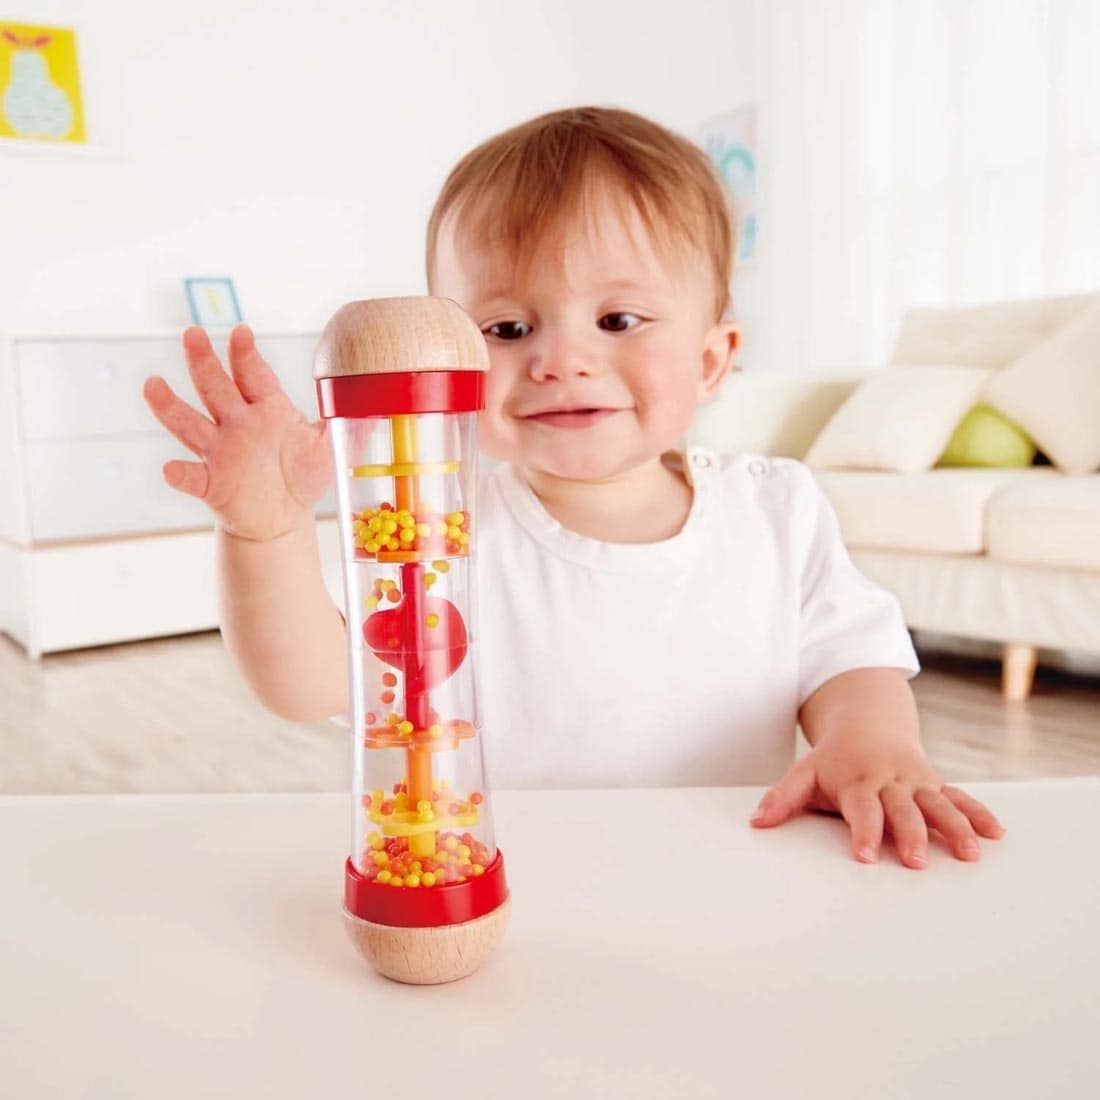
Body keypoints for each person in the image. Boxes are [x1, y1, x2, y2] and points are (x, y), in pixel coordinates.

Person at [143, 105, 1004, 868]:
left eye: (618, 320)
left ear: (711, 361)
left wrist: (871, 742)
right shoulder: (434, 527)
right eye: (507, 327)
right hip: (518, 895)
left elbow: (850, 660)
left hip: (733, 880)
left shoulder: (777, 509)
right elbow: (313, 683)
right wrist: (264, 531)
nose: (560, 360)